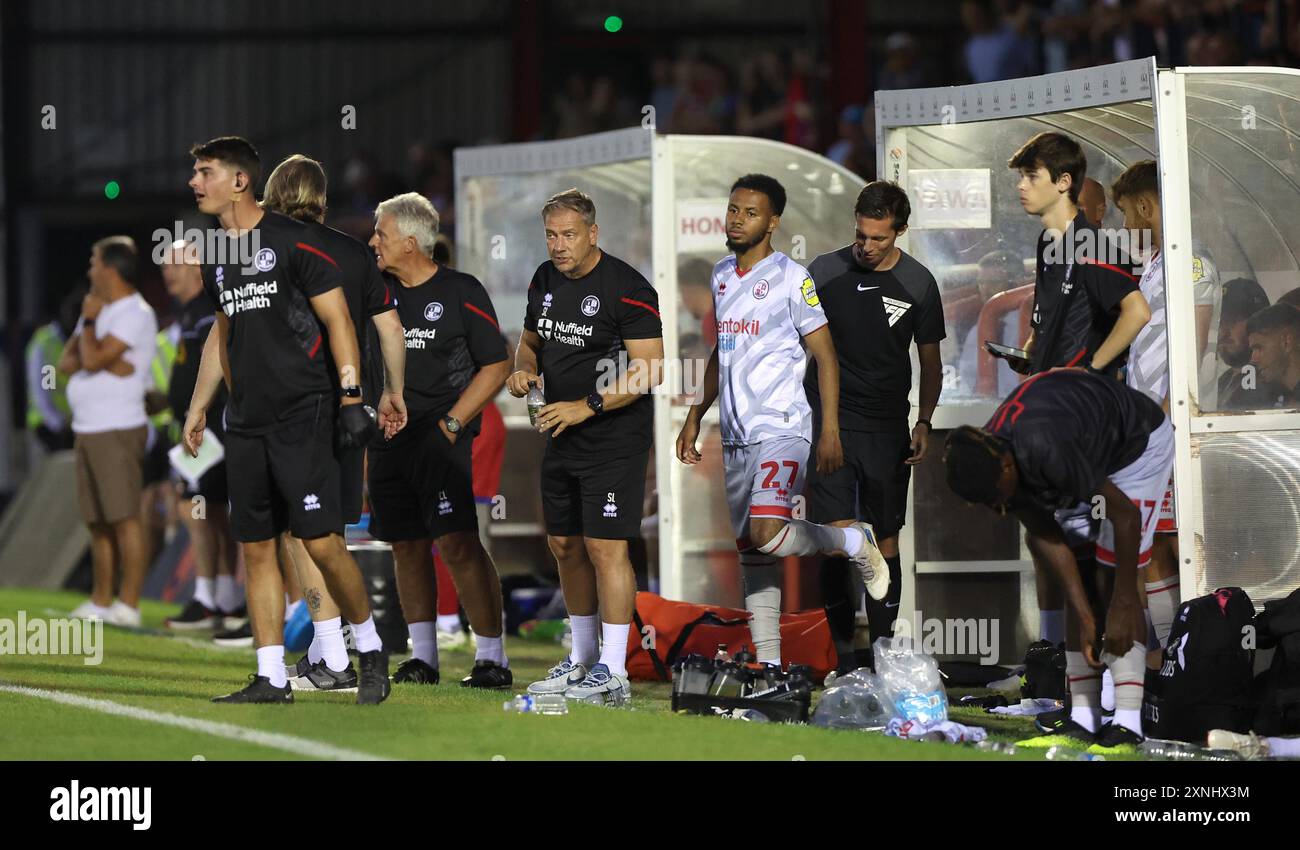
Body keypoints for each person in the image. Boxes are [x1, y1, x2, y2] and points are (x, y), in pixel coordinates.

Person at [181, 135, 390, 705]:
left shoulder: (294, 241)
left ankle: (369, 647)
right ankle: (271, 676)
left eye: (205, 172)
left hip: (304, 412)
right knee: (255, 546)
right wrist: (202, 406)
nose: (195, 182)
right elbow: (223, 333)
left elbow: (340, 320)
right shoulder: (215, 251)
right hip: (245, 420)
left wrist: (351, 398)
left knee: (321, 543)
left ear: (240, 181)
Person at [676, 174, 888, 669]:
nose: (736, 219)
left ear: (772, 222)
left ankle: (854, 540)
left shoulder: (794, 279)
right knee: (753, 551)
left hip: (782, 428)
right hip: (733, 435)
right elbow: (720, 353)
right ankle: (768, 666)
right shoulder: (722, 274)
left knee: (770, 533)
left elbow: (826, 356)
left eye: (749, 212)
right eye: (732, 209)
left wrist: (828, 429)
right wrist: (694, 416)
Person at [944, 370, 1174, 754]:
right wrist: (1085, 616)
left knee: (1112, 574)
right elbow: (1047, 537)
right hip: (1086, 446)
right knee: (1080, 580)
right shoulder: (993, 460)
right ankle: (1083, 717)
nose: (1000, 509)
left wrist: (1122, 602)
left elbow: (1125, 517)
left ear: (1007, 467)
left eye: (996, 496)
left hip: (1138, 447)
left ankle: (1129, 723)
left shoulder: (1045, 448)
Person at [255, 154, 409, 692]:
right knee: (328, 530)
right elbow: (390, 327)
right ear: (322, 199)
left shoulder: (266, 249)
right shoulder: (353, 252)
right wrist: (390, 392)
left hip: (293, 406)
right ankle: (336, 653)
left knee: (303, 533)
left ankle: (337, 654)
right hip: (351, 407)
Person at [508, 188, 664, 703]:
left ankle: (614, 670)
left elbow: (651, 368)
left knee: (605, 547)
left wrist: (587, 405)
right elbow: (531, 340)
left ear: (593, 233)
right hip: (561, 431)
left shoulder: (628, 287)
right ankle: (579, 661)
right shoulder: (544, 279)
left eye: (569, 234)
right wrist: (523, 369)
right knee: (564, 545)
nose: (559, 245)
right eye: (551, 235)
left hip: (613, 436)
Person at [365, 191, 514, 688]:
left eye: (381, 234)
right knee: (405, 547)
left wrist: (453, 423)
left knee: (457, 544)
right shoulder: (374, 291)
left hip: (441, 438)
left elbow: (497, 364)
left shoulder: (461, 290)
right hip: (388, 436)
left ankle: (492, 658)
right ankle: (423, 658)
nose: (374, 243)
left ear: (410, 242)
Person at [1008, 131, 1150, 648]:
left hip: (1079, 421)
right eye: (1022, 176)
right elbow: (1058, 317)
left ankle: (1114, 678)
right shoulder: (1050, 244)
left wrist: (1088, 369)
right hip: (1047, 409)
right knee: (1045, 537)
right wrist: (1034, 348)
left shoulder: (1090, 243)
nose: (1022, 187)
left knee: (1082, 548)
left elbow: (1136, 313)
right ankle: (1056, 667)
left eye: (1032, 177)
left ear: (1064, 182)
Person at [804, 181, 946, 673]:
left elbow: (931, 361)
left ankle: (882, 658)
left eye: (878, 238)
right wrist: (820, 424)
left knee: (886, 539)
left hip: (889, 428)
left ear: (900, 232)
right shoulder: (823, 271)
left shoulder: (920, 283)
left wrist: (924, 419)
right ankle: (844, 661)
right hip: (831, 424)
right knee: (833, 540)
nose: (866, 246)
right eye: (861, 235)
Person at [58, 237, 159, 627]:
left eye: (94, 262)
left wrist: (90, 333)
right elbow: (71, 363)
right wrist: (95, 350)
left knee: (124, 517)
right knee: (97, 520)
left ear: (112, 268)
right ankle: (101, 600)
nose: (90, 270)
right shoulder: (99, 310)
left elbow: (93, 357)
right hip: (88, 427)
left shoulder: (135, 312)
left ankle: (128, 604)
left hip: (117, 426)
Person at [159, 240, 242, 631]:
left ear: (197, 267)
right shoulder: (192, 311)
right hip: (205, 428)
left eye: (174, 264)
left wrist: (207, 416)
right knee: (211, 512)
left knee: (201, 511)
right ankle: (223, 595)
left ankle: (210, 596)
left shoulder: (208, 310)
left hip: (211, 430)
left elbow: (221, 361)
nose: (166, 272)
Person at [26, 285, 83, 454]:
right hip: (49, 426)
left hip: (75, 424)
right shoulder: (47, 344)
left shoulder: (82, 342)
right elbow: (44, 391)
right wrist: (59, 425)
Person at [1215, 278, 1272, 410]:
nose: (1223, 332)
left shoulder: (1272, 380)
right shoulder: (1223, 381)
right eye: (1219, 322)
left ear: (1260, 322)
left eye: (1235, 320)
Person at [1246, 304, 1300, 408]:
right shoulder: (1273, 398)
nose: (1253, 359)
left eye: (1258, 347)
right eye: (1253, 350)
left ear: (1286, 342)